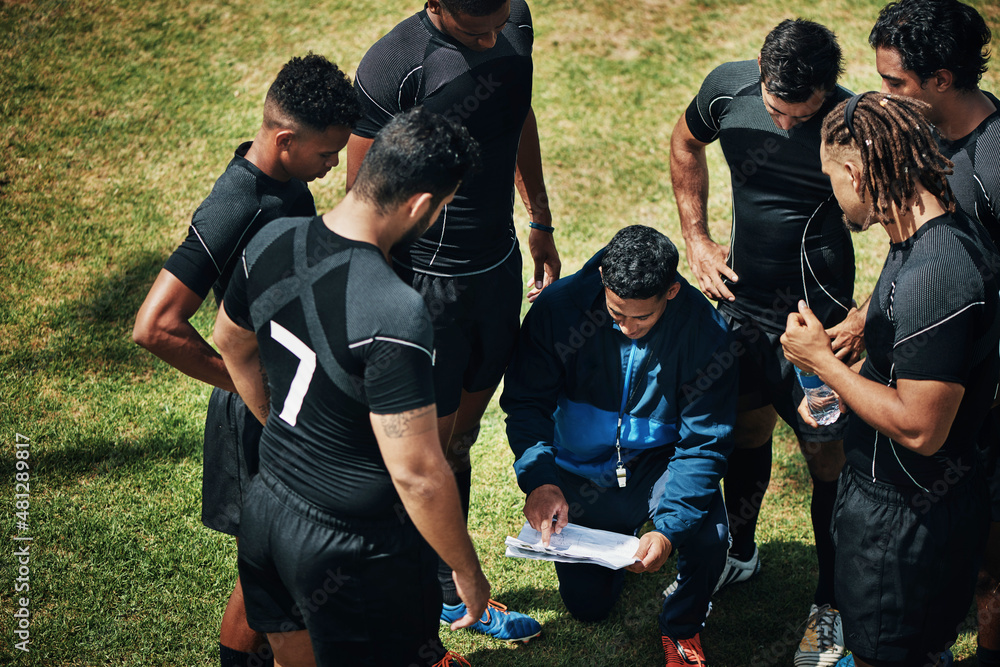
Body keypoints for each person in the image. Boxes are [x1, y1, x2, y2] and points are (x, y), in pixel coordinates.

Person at [212, 107, 490, 667]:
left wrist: (278, 424)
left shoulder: (269, 241)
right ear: (418, 205)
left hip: (266, 509)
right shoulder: (395, 310)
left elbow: (229, 340)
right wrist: (465, 568)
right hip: (350, 546)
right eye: (442, 205)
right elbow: (417, 472)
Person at [132, 54, 359, 667]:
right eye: (326, 154)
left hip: (288, 398)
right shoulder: (239, 203)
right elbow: (155, 326)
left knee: (277, 566)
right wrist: (241, 386)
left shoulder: (282, 181)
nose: (334, 164)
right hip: (258, 413)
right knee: (267, 572)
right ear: (285, 141)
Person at [344, 0, 558, 641]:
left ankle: (440, 593)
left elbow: (517, 117)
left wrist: (539, 217)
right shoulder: (393, 66)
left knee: (460, 440)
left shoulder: (513, 20)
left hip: (497, 274)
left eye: (495, 20)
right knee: (425, 455)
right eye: (473, 29)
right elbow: (361, 190)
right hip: (427, 290)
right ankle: (433, 604)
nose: (490, 34)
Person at [782, 92, 1000, 667]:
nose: (833, 195)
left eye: (831, 178)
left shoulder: (937, 276)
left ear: (855, 172)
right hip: (901, 502)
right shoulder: (921, 233)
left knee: (888, 653)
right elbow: (907, 365)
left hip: (906, 521)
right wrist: (845, 381)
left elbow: (921, 427)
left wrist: (820, 363)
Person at [669, 17, 855, 663]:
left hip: (816, 325)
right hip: (741, 310)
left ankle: (830, 604)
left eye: (795, 113)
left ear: (826, 90)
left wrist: (857, 322)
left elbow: (911, 214)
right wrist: (695, 235)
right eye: (774, 108)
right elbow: (684, 142)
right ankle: (739, 555)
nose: (781, 122)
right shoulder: (727, 89)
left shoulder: (853, 122)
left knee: (827, 459)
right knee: (744, 431)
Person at [501, 225, 736, 665]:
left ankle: (683, 625)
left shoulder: (706, 331)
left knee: (710, 537)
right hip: (579, 470)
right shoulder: (558, 309)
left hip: (658, 466)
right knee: (588, 609)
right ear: (604, 277)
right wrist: (540, 480)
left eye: (640, 318)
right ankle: (620, 542)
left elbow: (704, 442)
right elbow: (526, 403)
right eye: (615, 314)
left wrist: (668, 529)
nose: (626, 327)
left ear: (670, 291)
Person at [870, 4, 1000, 663]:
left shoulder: (996, 167)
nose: (883, 96)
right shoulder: (924, 140)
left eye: (894, 84)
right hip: (929, 383)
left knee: (988, 558)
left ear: (942, 79)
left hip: (979, 405)